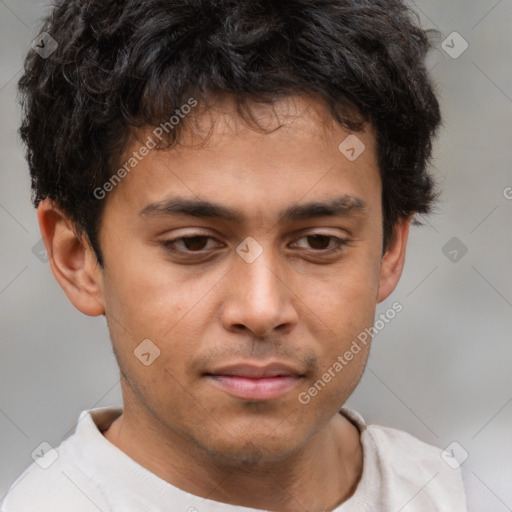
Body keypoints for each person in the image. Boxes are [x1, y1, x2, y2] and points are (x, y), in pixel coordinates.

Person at [2, 0, 467, 510]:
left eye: (318, 242)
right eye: (193, 243)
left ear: (389, 250)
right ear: (77, 258)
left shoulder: (449, 494)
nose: (262, 310)